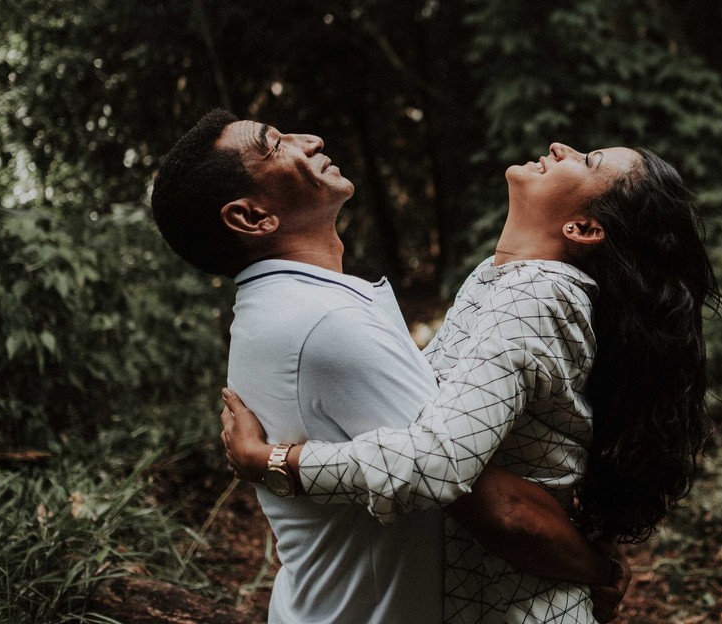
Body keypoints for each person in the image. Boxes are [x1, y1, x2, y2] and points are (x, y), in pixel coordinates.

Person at [150, 110, 626, 624]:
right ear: (251, 217)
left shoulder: (294, 306)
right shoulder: (324, 323)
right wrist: (599, 571)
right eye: (274, 144)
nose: (310, 139)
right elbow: (491, 503)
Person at [223, 138, 722, 623]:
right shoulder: (500, 279)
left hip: (520, 605)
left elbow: (437, 464)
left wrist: (274, 461)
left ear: (582, 227)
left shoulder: (537, 295)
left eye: (586, 161)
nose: (559, 148)